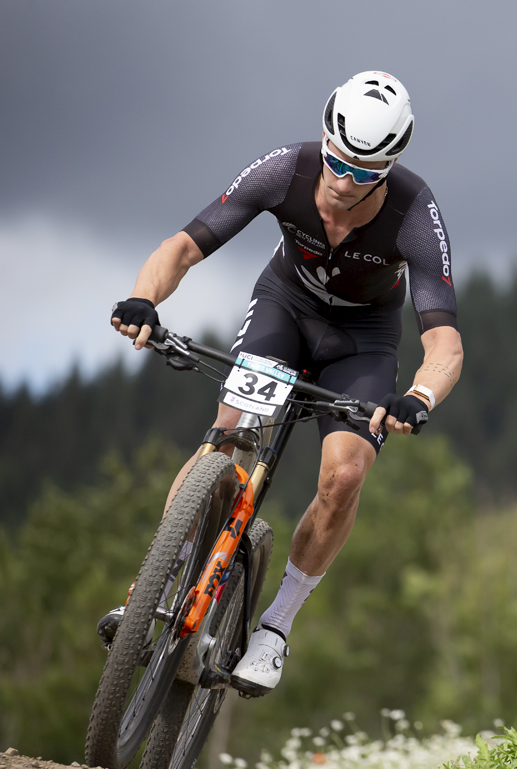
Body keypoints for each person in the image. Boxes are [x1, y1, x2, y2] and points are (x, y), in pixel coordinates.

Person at [106, 70, 463, 694]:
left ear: (390, 166)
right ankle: (153, 588)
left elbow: (444, 341)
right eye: (335, 160)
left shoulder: (415, 211)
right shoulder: (285, 170)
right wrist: (142, 299)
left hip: (363, 342)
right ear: (324, 139)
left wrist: (420, 396)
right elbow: (182, 247)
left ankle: (275, 627)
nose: (340, 179)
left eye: (361, 173)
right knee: (228, 433)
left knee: (345, 474)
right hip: (284, 310)